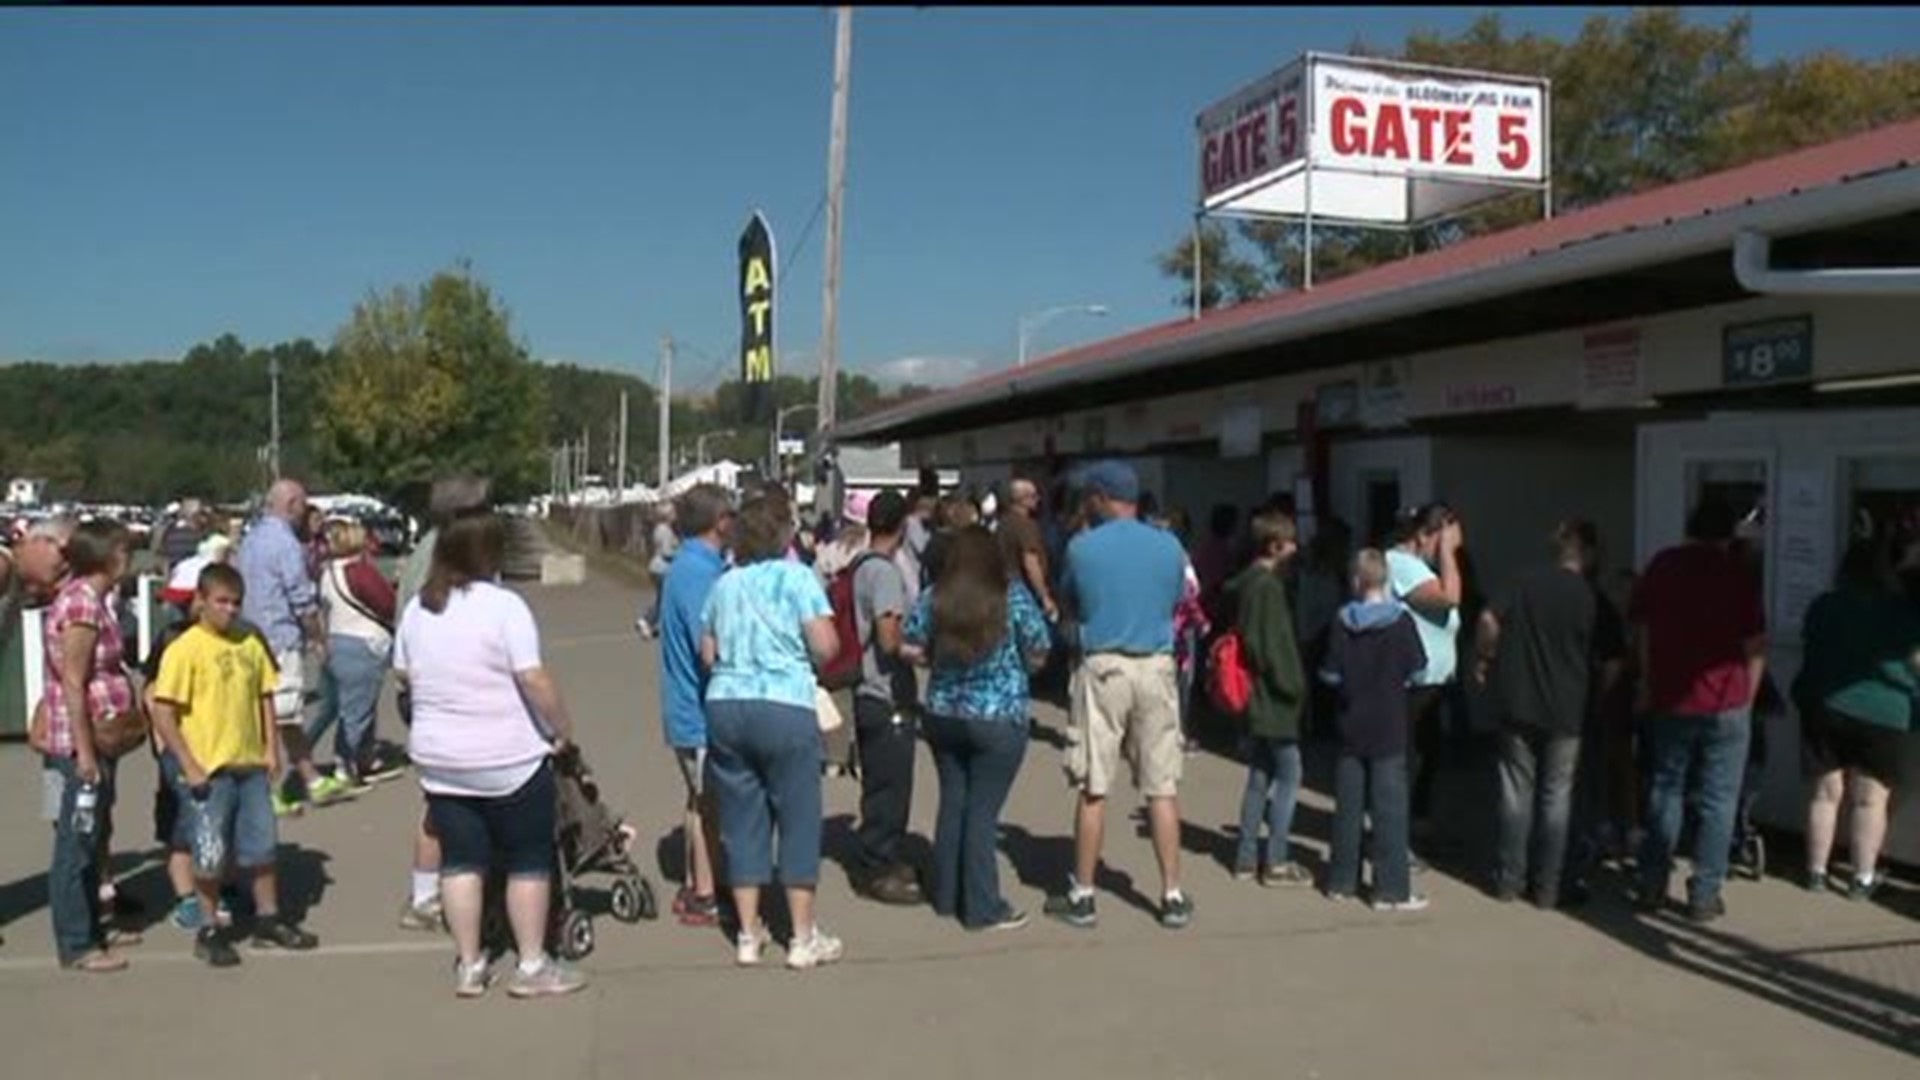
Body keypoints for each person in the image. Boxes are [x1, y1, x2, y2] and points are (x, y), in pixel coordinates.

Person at [396, 506, 585, 999]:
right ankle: (530, 964)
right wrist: (560, 727)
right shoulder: (504, 607)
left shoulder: (421, 608)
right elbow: (532, 677)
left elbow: (404, 673)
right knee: (528, 859)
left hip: (440, 757)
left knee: (460, 861)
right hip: (507, 756)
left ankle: (470, 962)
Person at [1043, 460, 1192, 931]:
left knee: (1094, 785)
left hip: (1104, 666)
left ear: (1102, 497)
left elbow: (1071, 601)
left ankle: (1083, 893)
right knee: (1161, 785)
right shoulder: (1169, 546)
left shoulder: (1083, 548)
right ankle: (1171, 893)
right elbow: (1174, 600)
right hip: (1156, 665)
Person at [700, 492, 845, 970]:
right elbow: (825, 645)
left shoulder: (725, 584)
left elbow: (708, 652)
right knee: (798, 814)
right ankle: (802, 937)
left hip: (726, 703)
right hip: (783, 702)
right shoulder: (798, 578)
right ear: (784, 534)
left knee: (742, 819)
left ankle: (748, 932)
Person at [150, 563, 321, 966]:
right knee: (209, 851)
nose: (229, 610)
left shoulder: (248, 642)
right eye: (221, 602)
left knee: (261, 847)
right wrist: (187, 763)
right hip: (208, 767)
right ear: (202, 602)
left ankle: (268, 919)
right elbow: (164, 712)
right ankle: (210, 928)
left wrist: (270, 747)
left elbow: (264, 694)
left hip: (249, 764)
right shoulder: (185, 649)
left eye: (236, 603)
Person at [904, 525, 1050, 930]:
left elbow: (910, 643)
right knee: (983, 813)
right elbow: (1039, 648)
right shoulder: (1012, 596)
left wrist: (936, 658)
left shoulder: (936, 596)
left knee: (953, 800)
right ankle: (983, 906)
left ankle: (948, 895)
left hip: (943, 710)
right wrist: (1019, 664)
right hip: (998, 713)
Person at [1629, 500, 1767, 923]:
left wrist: (1648, 684)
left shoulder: (1663, 565)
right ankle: (1704, 893)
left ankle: (1653, 882)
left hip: (1671, 694)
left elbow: (1644, 629)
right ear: (1728, 534)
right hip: (1728, 699)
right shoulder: (1737, 574)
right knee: (1719, 798)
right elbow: (1755, 643)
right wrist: (1750, 693)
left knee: (1665, 787)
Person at [1477, 520, 1605, 910]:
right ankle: (1548, 886)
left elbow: (1487, 620)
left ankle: (1508, 879)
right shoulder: (1589, 597)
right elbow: (1601, 655)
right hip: (1567, 708)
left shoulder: (1523, 581)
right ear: (1586, 551)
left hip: (1518, 701)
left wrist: (1485, 658)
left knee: (1516, 792)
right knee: (1556, 797)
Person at [39, 520, 140, 972]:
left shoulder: (95, 600)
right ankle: (77, 942)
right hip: (82, 744)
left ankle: (92, 928)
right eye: (125, 550)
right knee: (76, 844)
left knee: (91, 834)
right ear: (110, 555)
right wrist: (84, 753)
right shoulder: (81, 604)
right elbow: (74, 682)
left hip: (101, 739)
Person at [1795, 540, 1920, 900]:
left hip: (1823, 705)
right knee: (1869, 800)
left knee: (1825, 794)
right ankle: (1862, 879)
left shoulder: (1824, 604)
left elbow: (1811, 643)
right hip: (1884, 710)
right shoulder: (1902, 611)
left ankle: (1815, 873)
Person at [394, 475, 491, 932]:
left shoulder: (440, 553)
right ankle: (427, 895)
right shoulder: (436, 557)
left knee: (451, 800)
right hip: (441, 696)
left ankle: (448, 887)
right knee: (442, 803)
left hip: (440, 694)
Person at [1321, 549, 1429, 911]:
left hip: (1350, 724)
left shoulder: (1340, 622)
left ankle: (1341, 881)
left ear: (1355, 581)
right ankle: (1391, 889)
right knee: (1390, 810)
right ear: (1385, 580)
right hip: (1389, 724)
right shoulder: (1402, 623)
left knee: (1348, 808)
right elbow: (1418, 672)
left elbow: (1331, 674)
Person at [235, 479, 350, 814]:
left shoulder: (251, 539)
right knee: (278, 716)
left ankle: (310, 777)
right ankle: (267, 789)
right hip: (279, 639)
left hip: (251, 637)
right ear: (293, 505)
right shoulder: (285, 544)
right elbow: (300, 597)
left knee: (281, 716)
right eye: (303, 505)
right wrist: (317, 637)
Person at [657, 484, 733, 928]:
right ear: (719, 522)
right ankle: (705, 893)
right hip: (697, 709)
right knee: (710, 804)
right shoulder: (697, 574)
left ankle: (696, 881)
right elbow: (707, 643)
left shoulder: (688, 567)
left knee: (698, 799)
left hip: (686, 708)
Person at [849, 488, 925, 905]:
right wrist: (924, 653)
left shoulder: (860, 564)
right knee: (890, 787)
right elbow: (889, 637)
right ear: (902, 525)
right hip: (885, 691)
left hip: (867, 689)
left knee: (883, 782)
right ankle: (875, 866)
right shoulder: (886, 574)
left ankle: (884, 855)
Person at [1228, 510, 1310, 886]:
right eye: (1290, 542)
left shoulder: (1247, 584)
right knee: (1290, 774)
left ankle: (1246, 856)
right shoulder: (1268, 589)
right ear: (1276, 546)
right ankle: (1275, 859)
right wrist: (1294, 686)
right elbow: (1272, 647)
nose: (1295, 548)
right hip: (1274, 698)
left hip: (1255, 696)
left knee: (1260, 775)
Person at [1387, 505, 1464, 836]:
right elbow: (1448, 598)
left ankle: (1414, 824)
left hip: (1432, 682)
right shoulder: (1401, 564)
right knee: (1405, 761)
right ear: (1423, 535)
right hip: (1411, 683)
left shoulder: (1419, 566)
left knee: (1428, 754)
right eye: (1441, 540)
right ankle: (1392, 834)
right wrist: (1448, 552)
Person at [310, 518, 398, 788]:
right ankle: (344, 764)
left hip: (338, 640)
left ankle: (362, 758)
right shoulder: (359, 571)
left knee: (355, 707)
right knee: (358, 710)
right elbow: (387, 604)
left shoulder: (328, 572)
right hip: (364, 643)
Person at [1000, 479, 1059, 623]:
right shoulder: (1026, 526)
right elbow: (1030, 562)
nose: (1038, 500)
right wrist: (1044, 597)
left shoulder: (1003, 523)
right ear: (1021, 500)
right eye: (1033, 496)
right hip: (1025, 592)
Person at [637, 501, 679, 640]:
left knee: (664, 598)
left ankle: (652, 623)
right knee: (665, 599)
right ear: (667, 515)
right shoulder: (664, 530)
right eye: (673, 513)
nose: (675, 515)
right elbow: (667, 552)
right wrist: (680, 554)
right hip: (662, 569)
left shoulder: (662, 529)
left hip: (657, 568)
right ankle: (647, 620)